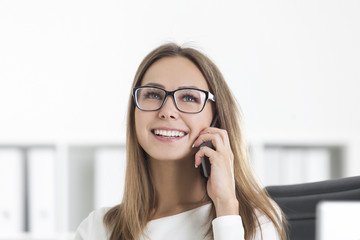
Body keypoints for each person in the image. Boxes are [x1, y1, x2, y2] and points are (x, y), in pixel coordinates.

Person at [74, 43, 287, 240]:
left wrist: (226, 208)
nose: (167, 111)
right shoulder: (98, 229)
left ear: (217, 118)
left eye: (188, 98)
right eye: (153, 95)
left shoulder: (255, 220)